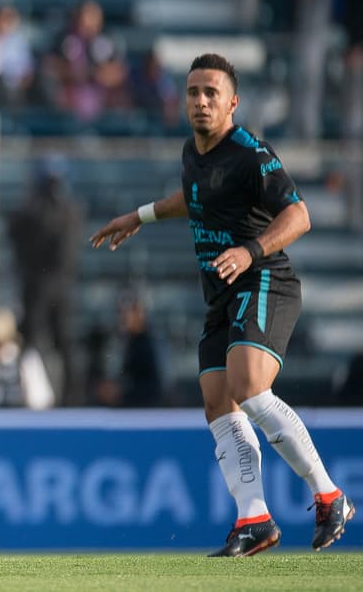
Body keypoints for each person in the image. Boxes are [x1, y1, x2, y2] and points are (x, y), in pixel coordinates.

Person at [90, 53, 354, 557]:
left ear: (232, 102)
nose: (201, 101)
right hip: (221, 293)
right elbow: (193, 197)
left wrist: (250, 249)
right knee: (218, 402)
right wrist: (140, 216)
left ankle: (330, 494)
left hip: (264, 280)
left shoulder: (249, 151)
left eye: (211, 93)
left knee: (250, 388)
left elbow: (299, 215)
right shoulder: (194, 153)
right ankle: (253, 517)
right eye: (193, 92)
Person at [7, 155, 83, 405]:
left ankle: (66, 398)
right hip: (45, 287)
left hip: (47, 286)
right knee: (36, 343)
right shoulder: (64, 210)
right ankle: (35, 396)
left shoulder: (55, 212)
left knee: (53, 342)